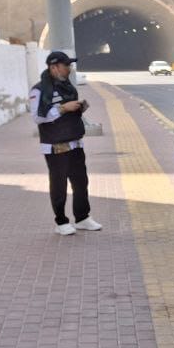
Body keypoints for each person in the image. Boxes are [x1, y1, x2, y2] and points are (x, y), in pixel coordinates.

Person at [30, 50, 103, 236]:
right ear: (54, 67)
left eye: (70, 65)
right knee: (59, 184)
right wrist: (63, 108)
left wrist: (78, 107)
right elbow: (38, 117)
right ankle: (61, 221)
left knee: (81, 182)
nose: (69, 69)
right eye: (66, 65)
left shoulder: (69, 88)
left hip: (75, 142)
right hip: (55, 146)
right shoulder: (39, 90)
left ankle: (82, 218)